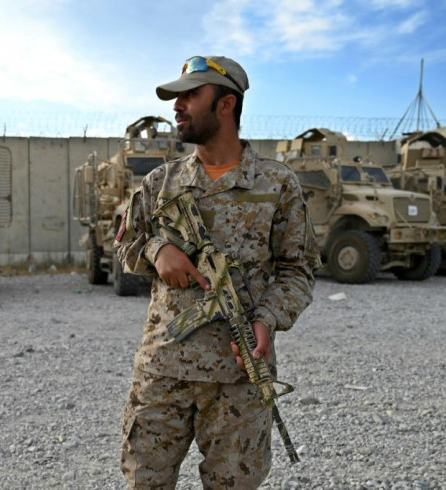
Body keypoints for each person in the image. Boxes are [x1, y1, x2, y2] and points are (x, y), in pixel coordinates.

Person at [114, 55, 321, 488]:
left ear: (226, 105)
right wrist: (157, 250)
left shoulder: (276, 184)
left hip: (239, 377)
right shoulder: (160, 183)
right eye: (177, 97)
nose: (177, 107)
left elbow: (297, 269)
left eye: (190, 95)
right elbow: (124, 243)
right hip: (163, 370)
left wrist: (267, 317)